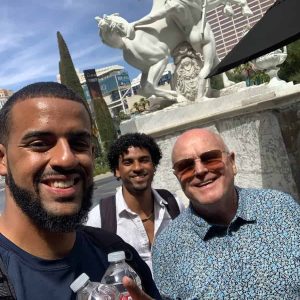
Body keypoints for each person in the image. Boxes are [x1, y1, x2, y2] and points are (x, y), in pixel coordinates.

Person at [0, 82, 159, 300]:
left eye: (79, 144)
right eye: (39, 144)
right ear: (2, 159)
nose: (66, 158)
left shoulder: (119, 257)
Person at [152, 128, 300, 299]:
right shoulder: (166, 247)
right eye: (186, 166)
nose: (200, 171)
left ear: (232, 162)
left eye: (210, 158)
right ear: (178, 177)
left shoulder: (281, 208)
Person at [86, 133, 185, 272]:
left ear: (154, 165)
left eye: (144, 160)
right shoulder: (99, 219)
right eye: (128, 162)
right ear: (117, 170)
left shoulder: (173, 205)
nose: (137, 168)